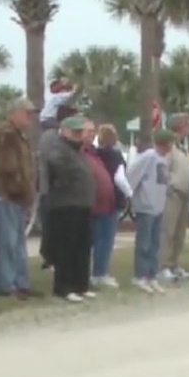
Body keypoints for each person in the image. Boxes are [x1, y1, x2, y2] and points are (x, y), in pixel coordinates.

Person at [0, 97, 38, 300]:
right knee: (8, 241)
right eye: (27, 113)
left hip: (19, 195)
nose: (30, 118)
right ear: (14, 113)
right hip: (8, 192)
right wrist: (21, 187)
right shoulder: (6, 134)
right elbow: (7, 166)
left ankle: (21, 282)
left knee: (18, 241)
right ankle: (7, 284)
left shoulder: (19, 135)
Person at [42, 116, 96, 302]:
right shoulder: (59, 147)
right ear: (64, 131)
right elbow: (57, 166)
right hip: (65, 204)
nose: (79, 135)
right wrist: (69, 180)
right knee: (66, 248)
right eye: (75, 132)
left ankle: (81, 285)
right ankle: (64, 287)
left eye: (80, 132)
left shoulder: (77, 151)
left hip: (81, 204)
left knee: (82, 247)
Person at [126, 130, 174, 293]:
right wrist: (131, 194)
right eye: (170, 143)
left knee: (155, 244)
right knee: (144, 243)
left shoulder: (164, 159)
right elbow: (132, 174)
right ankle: (140, 275)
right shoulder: (148, 156)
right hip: (146, 206)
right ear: (164, 143)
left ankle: (151, 275)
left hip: (159, 205)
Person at [91, 124, 131, 288]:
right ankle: (101, 272)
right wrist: (130, 193)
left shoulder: (93, 154)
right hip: (112, 200)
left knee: (96, 238)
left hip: (94, 199)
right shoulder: (115, 156)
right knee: (106, 239)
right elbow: (119, 178)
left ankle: (94, 272)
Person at [79, 119, 116, 297]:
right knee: (97, 242)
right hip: (93, 206)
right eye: (88, 131)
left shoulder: (94, 153)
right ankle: (95, 274)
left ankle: (102, 272)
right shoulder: (80, 153)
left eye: (93, 131)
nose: (92, 134)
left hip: (106, 204)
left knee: (106, 241)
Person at [159, 113, 189, 282]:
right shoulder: (169, 144)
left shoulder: (183, 145)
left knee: (180, 232)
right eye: (187, 124)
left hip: (185, 194)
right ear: (180, 126)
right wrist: (170, 185)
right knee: (169, 230)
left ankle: (174, 263)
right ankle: (163, 265)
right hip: (173, 193)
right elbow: (164, 167)